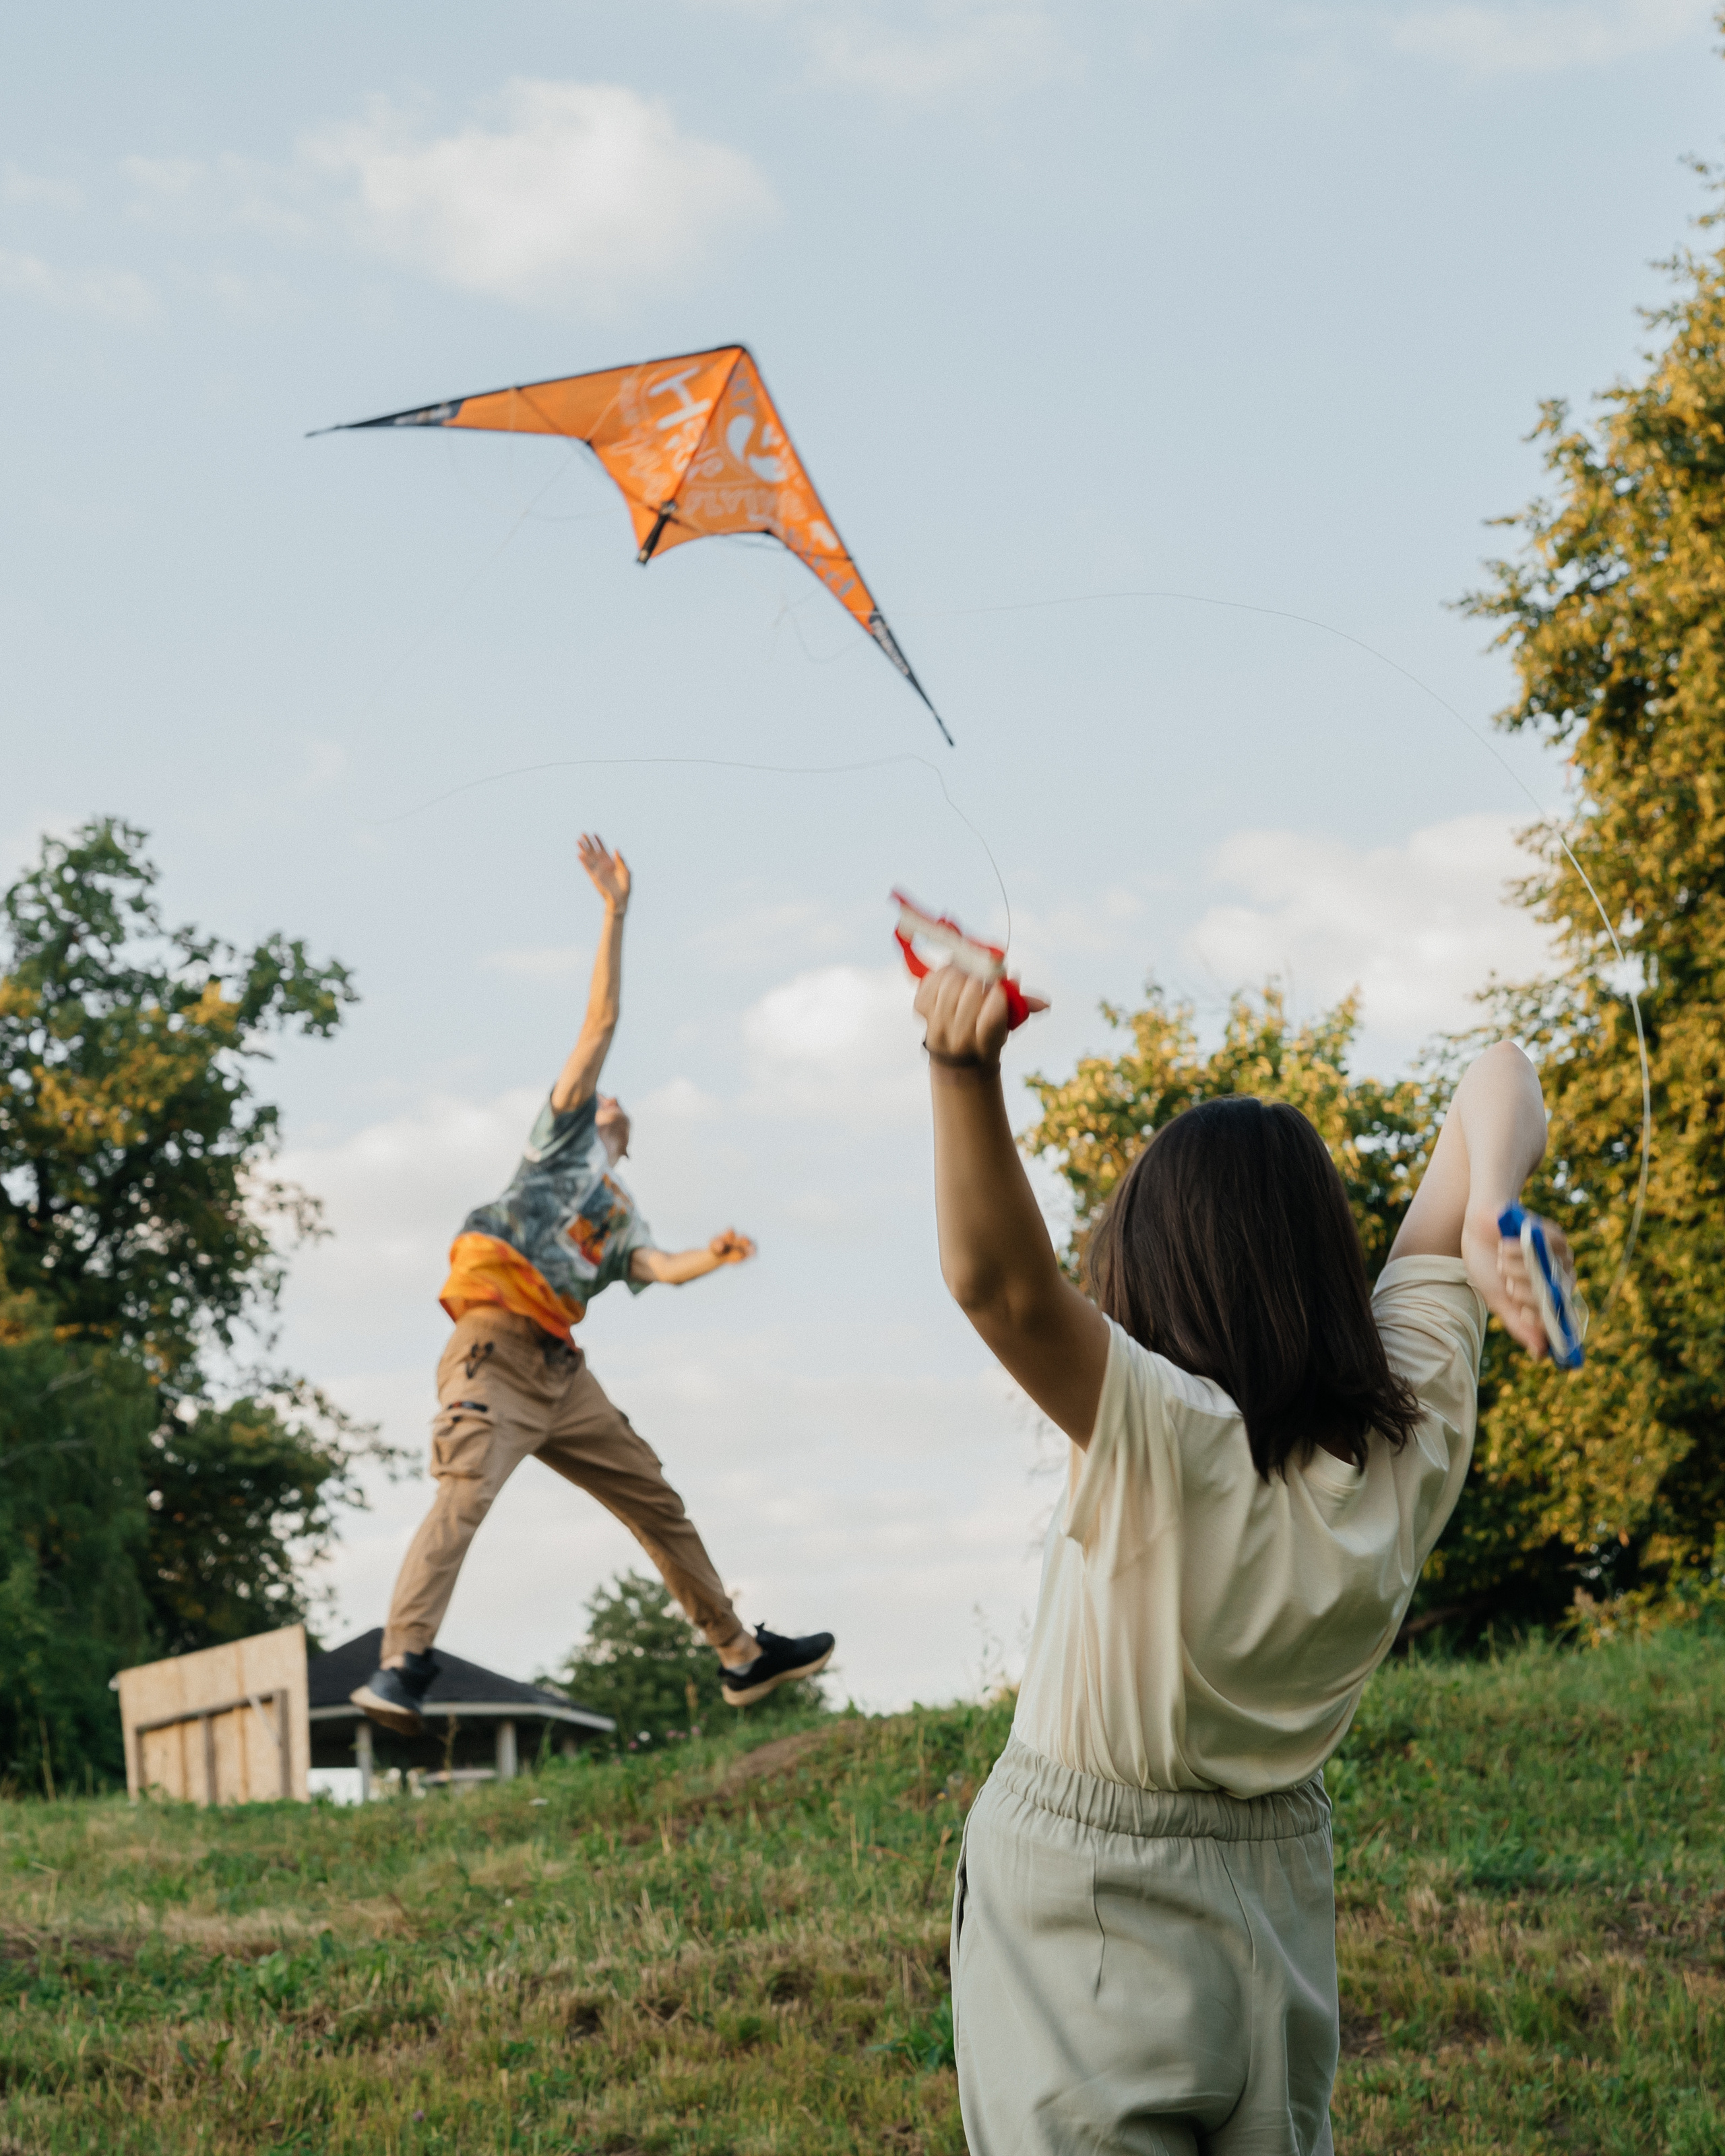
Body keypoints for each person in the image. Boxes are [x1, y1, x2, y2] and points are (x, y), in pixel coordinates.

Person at [914, 959, 1565, 2156]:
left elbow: (996, 1286)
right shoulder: (1409, 1425)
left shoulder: (1163, 1433)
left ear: (1153, 1272)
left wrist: (963, 1071)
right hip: (1278, 1896)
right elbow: (1501, 1072)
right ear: (1325, 1259)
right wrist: (1487, 1209)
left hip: (1083, 1906)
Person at [351, 835, 834, 1736]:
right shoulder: (557, 1141)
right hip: (491, 1352)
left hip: (564, 1378)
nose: (608, 1104)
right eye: (603, 1102)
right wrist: (615, 910)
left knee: (654, 1499)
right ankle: (402, 1664)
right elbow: (599, 1029)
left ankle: (739, 1655)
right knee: (464, 1494)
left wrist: (715, 1256)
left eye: (618, 1112)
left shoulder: (624, 1218)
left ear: (629, 1141)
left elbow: (660, 1270)